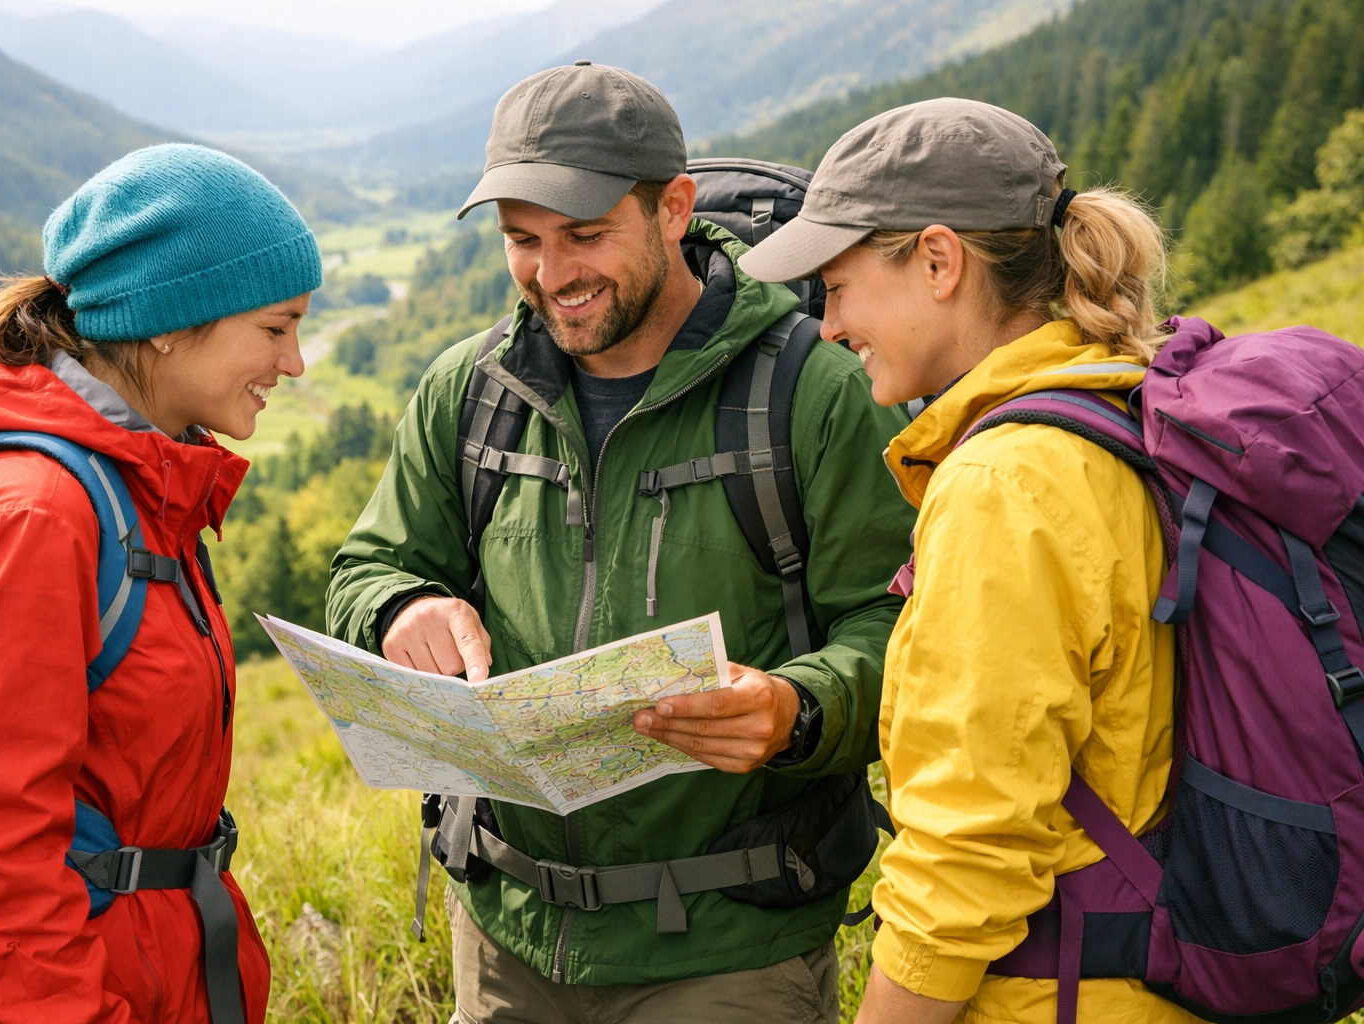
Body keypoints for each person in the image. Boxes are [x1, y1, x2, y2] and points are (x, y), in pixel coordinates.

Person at [328, 62, 914, 1024]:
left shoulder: (811, 391)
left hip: (731, 946)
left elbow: (899, 621)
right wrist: (401, 609)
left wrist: (799, 709)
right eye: (524, 241)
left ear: (674, 209)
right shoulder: (466, 391)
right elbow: (368, 566)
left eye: (586, 235)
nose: (553, 275)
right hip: (507, 931)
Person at [740, 98, 1201, 1024]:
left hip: (1061, 995)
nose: (827, 326)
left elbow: (967, 851)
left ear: (939, 261)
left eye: (836, 285)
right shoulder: (1117, 399)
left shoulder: (1006, 482)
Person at [0, 143, 322, 1024]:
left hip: (145, 969)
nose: (296, 361)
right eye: (275, 328)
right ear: (169, 319)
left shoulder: (139, 489)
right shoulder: (35, 518)